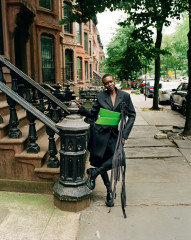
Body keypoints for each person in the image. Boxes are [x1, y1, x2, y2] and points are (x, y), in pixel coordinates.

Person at [76, 74, 136, 208]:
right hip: (100, 133)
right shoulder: (100, 96)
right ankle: (109, 192)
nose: (109, 85)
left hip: (115, 134)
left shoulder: (124, 96)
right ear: (104, 85)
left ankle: (94, 172)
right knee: (101, 162)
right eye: (106, 83)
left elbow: (132, 115)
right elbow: (93, 114)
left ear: (114, 81)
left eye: (110, 82)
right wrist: (81, 109)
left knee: (120, 158)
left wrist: (125, 135)